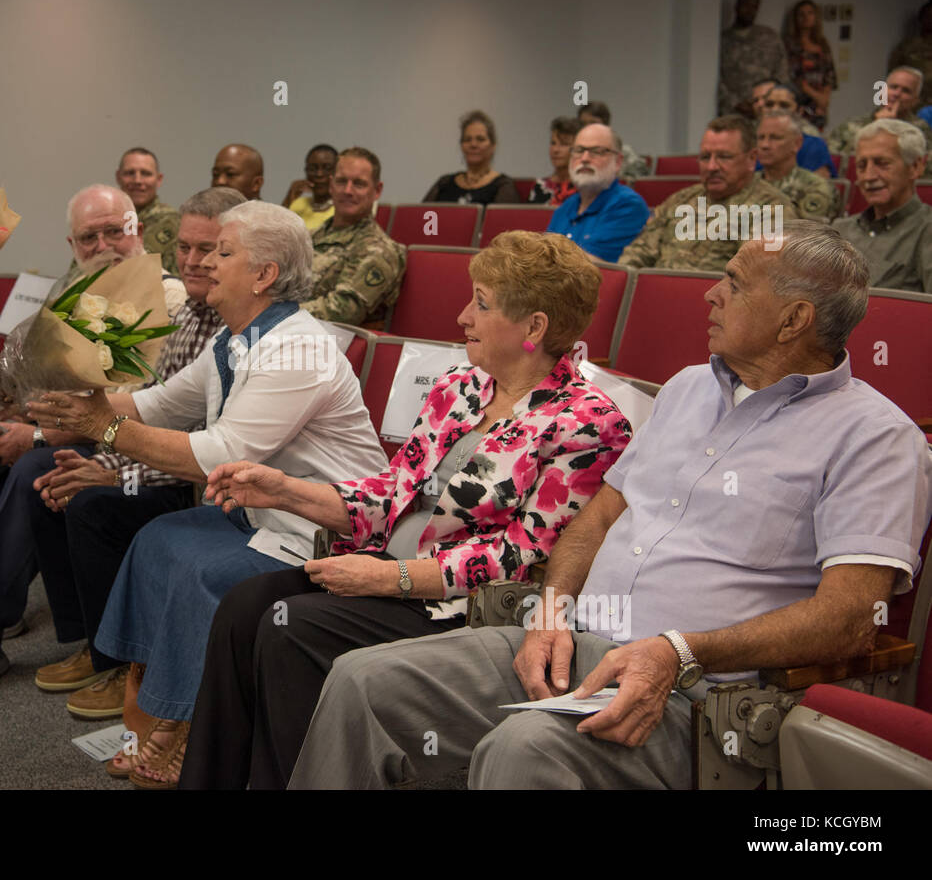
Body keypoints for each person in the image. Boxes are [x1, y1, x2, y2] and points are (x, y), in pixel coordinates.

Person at [290, 222, 932, 789]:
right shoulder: (688, 389)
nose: (711, 293)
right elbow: (597, 518)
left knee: (527, 748)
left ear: (793, 320)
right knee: (359, 683)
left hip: (698, 695)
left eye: (733, 284)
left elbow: (852, 617)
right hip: (568, 645)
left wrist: (679, 650)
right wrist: (551, 609)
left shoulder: (875, 438)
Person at [180, 231, 634, 789]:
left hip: (459, 604)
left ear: (534, 328)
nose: (463, 315)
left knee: (292, 629)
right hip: (380, 569)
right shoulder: (460, 386)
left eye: (483, 304)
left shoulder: (588, 422)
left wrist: (391, 577)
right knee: (244, 606)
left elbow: (520, 556)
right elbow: (392, 493)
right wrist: (285, 491)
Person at [33, 200, 388, 788]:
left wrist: (105, 429)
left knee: (205, 573)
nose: (205, 263)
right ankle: (158, 708)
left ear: (264, 274)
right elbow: (159, 404)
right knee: (156, 539)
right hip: (258, 514)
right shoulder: (236, 337)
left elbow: (223, 454)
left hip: (318, 527)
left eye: (223, 252)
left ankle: (190, 721)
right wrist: (78, 406)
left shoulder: (298, 347)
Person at [0, 189, 243, 708]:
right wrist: (24, 406)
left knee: (40, 471)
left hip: (143, 454)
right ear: (72, 243)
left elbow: (143, 406)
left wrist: (41, 434)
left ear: (139, 232)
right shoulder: (78, 286)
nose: (105, 244)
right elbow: (128, 396)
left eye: (116, 231)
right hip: (111, 435)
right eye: (90, 236)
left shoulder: (171, 296)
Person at [618, 115, 799, 271]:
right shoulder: (681, 200)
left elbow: (754, 278)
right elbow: (637, 254)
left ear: (751, 159)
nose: (712, 167)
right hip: (658, 298)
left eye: (724, 157)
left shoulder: (770, 208)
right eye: (705, 157)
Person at [302, 147, 406, 326]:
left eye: (359, 183)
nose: (348, 191)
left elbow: (344, 311)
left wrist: (275, 314)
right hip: (284, 333)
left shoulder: (378, 248)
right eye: (341, 181)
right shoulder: (308, 236)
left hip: (331, 344)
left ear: (377, 190)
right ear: (331, 185)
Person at [833, 119, 931, 292]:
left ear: (915, 167)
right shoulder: (840, 230)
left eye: (882, 164)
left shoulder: (926, 231)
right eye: (861, 166)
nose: (868, 176)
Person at [547, 124, 650, 262]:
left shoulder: (628, 205)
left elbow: (590, 266)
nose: (584, 158)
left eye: (597, 151)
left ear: (618, 162)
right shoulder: (566, 207)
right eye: (579, 150)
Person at [828, 67, 932, 155]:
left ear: (915, 101)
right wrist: (877, 126)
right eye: (893, 87)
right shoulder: (850, 125)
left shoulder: (921, 130)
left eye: (906, 91)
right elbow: (837, 162)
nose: (896, 94)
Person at [423, 110, 519, 204]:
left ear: (493, 145)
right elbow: (420, 216)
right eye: (467, 139)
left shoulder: (502, 185)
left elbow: (504, 219)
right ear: (461, 145)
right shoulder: (444, 183)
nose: (473, 144)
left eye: (480, 139)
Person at [755, 111, 837, 221]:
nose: (764, 145)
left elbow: (808, 231)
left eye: (775, 138)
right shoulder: (744, 183)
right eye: (761, 138)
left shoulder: (814, 186)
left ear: (797, 143)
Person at [718, 0, 789, 117]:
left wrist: (765, 102)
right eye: (745, 5)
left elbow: (782, 75)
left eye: (754, 6)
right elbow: (716, 77)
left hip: (765, 112)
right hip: (732, 112)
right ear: (737, 6)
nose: (749, 10)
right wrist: (735, 103)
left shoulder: (770, 37)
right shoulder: (722, 40)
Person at [116, 147, 181, 273]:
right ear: (118, 177)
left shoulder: (171, 221)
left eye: (146, 174)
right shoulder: (106, 221)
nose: (137, 180)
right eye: (130, 173)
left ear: (159, 179)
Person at [758, 83, 835, 176]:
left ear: (799, 111)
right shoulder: (751, 142)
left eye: (784, 105)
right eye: (769, 105)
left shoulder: (814, 146)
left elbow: (819, 184)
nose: (775, 109)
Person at [783, 0, 837, 131]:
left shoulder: (822, 43)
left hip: (819, 103)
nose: (806, 17)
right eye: (801, 14)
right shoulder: (789, 44)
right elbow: (794, 74)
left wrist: (824, 99)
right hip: (799, 99)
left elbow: (829, 73)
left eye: (810, 13)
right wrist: (817, 97)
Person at [576, 101, 651, 181]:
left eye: (593, 123)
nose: (588, 128)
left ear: (606, 125)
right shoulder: (574, 153)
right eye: (583, 123)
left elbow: (642, 177)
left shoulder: (623, 151)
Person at [281, 143, 338, 232]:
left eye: (327, 168)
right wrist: (288, 199)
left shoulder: (342, 208)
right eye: (313, 169)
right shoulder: (298, 204)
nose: (319, 174)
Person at [527, 117, 580, 205]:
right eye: (553, 143)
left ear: (578, 149)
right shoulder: (539, 186)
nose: (555, 150)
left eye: (563, 144)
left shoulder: (585, 189)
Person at [888, 1, 932, 84]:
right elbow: (893, 74)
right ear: (921, 19)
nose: (930, 20)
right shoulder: (907, 47)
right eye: (928, 16)